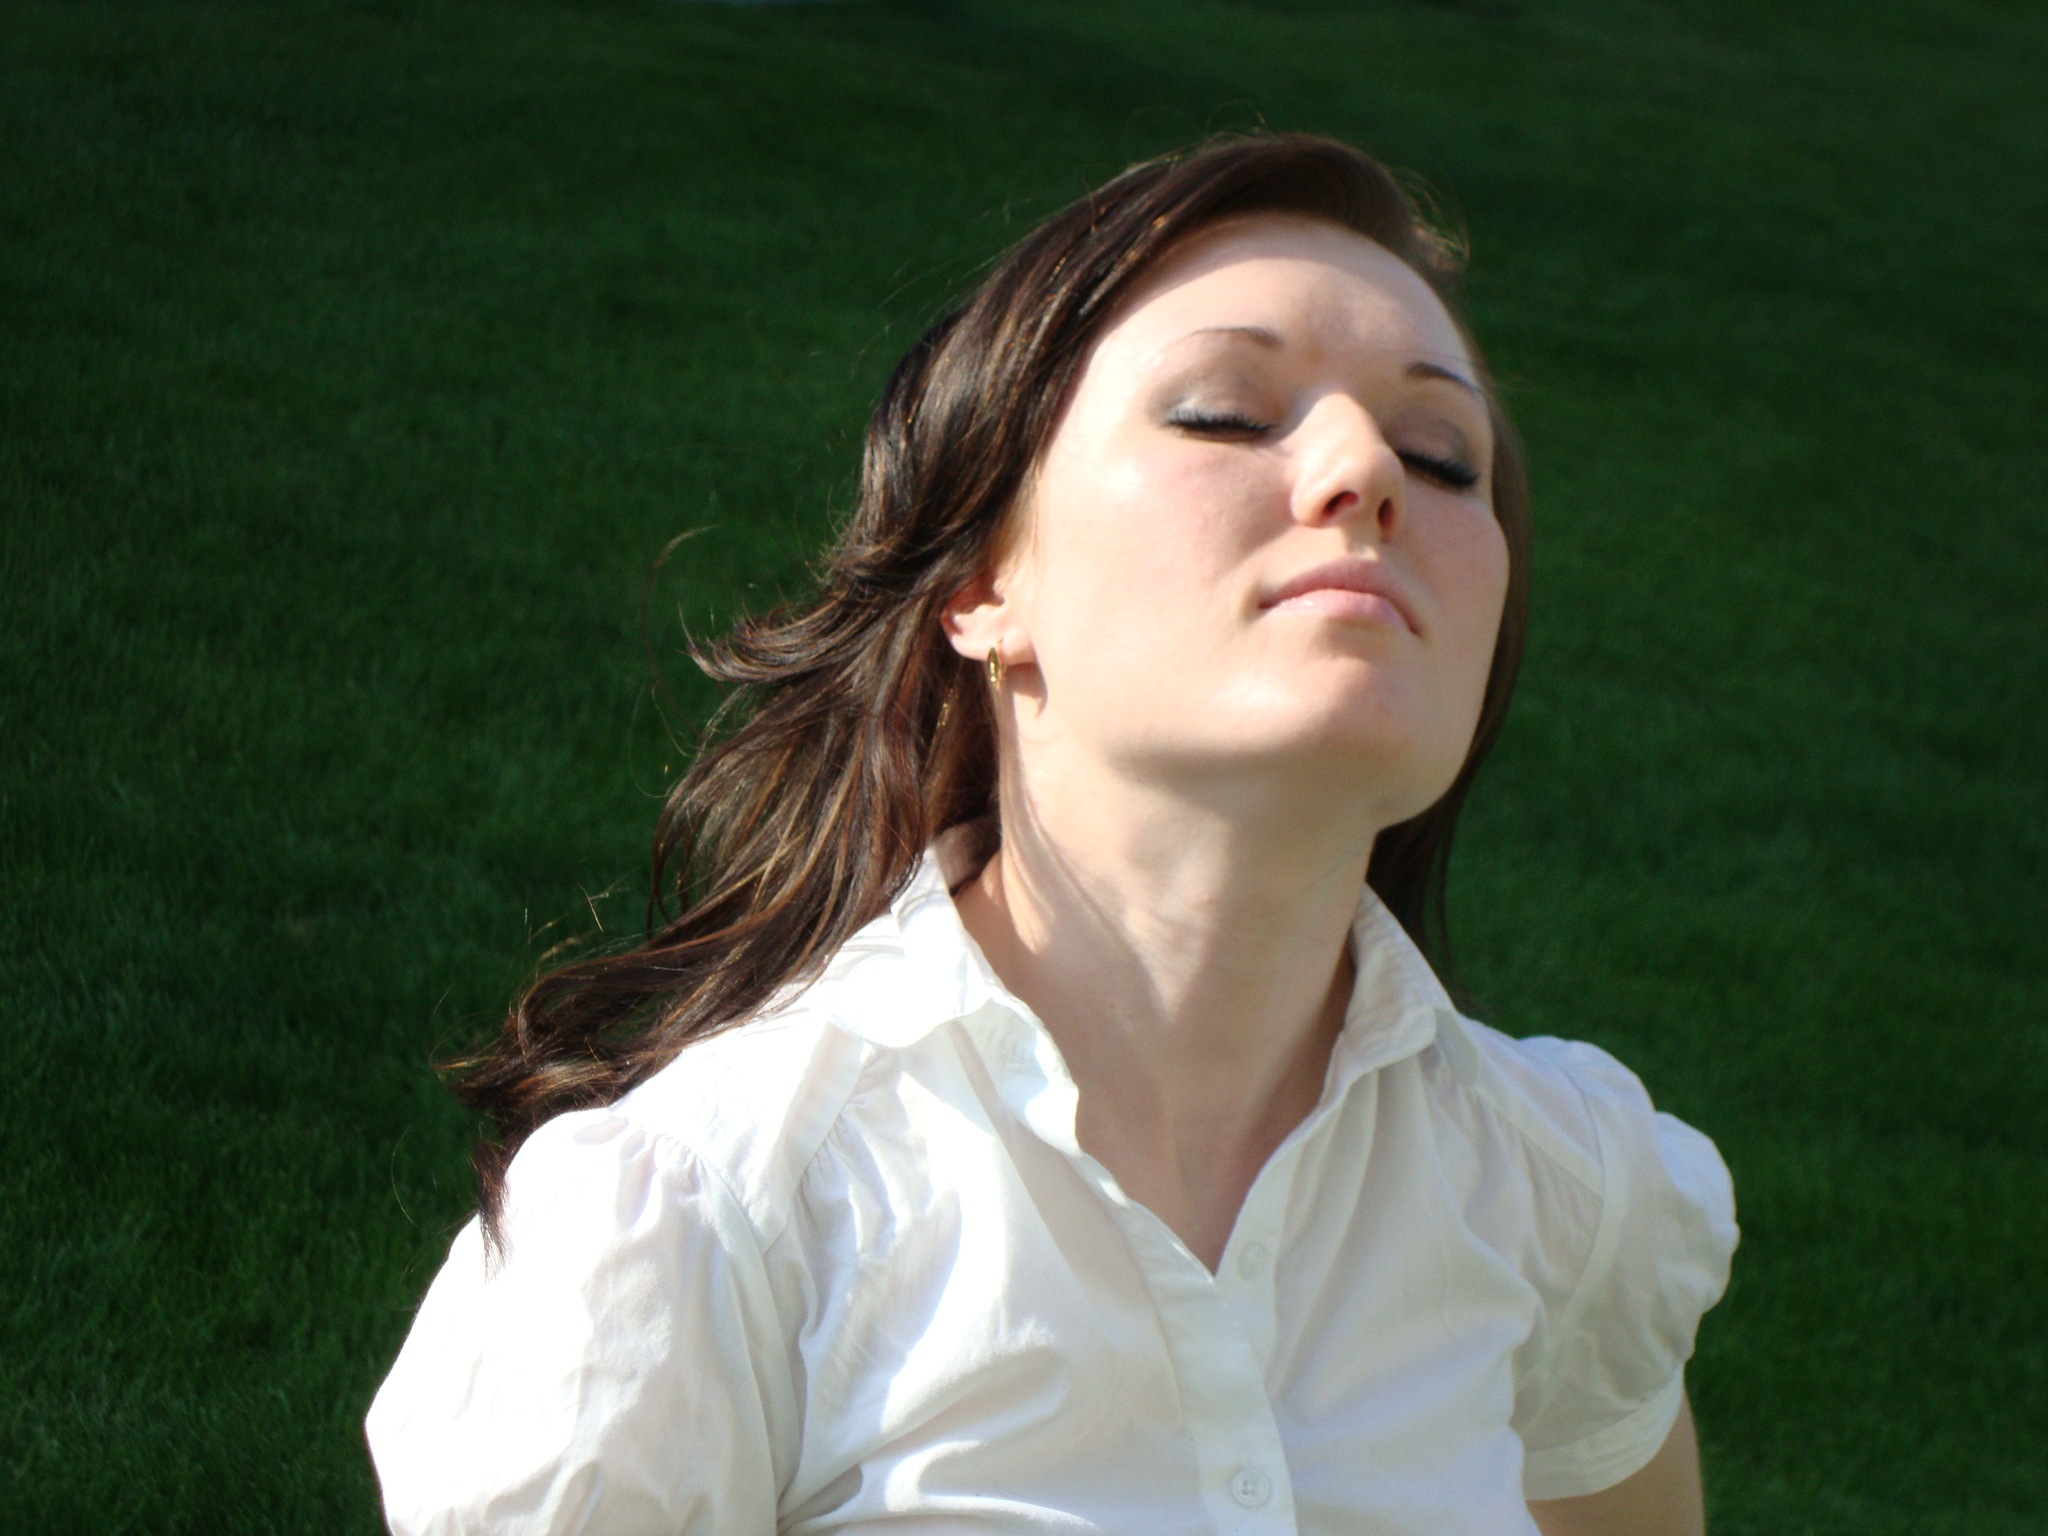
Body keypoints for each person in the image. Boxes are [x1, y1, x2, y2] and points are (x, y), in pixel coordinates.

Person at [367, 135, 1737, 1536]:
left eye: (1444, 456)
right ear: (980, 582)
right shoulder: (705, 1227)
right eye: (1227, 415)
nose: (1366, 469)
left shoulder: (1566, 1195)